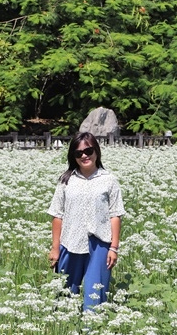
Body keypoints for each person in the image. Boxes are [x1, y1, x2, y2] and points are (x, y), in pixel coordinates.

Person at [47, 131, 125, 313]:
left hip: (99, 244)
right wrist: (55, 248)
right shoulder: (66, 181)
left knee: (95, 295)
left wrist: (114, 247)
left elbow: (116, 214)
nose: (84, 156)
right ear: (73, 157)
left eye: (88, 151)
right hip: (70, 242)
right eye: (78, 153)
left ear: (96, 151)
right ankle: (65, 331)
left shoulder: (109, 180)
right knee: (65, 295)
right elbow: (57, 215)